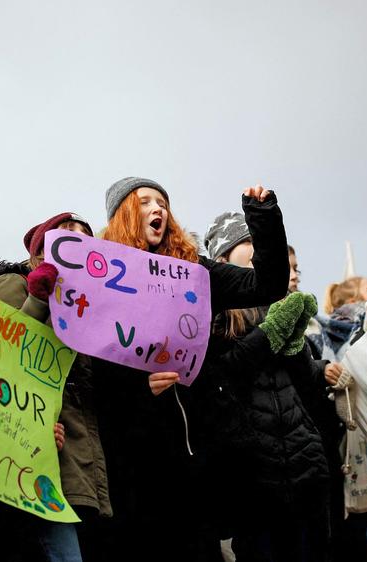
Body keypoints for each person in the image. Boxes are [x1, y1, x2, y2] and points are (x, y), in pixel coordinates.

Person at [92, 177, 289, 562]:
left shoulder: (193, 272)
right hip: (138, 468)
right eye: (145, 201)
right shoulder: (98, 278)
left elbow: (269, 285)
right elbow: (92, 373)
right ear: (122, 215)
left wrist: (263, 217)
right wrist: (138, 389)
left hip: (200, 459)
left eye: (163, 202)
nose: (158, 209)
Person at [0, 212, 113, 562]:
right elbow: (1, 351)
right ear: (41, 253)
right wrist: (39, 296)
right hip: (37, 460)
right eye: (68, 238)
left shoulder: (91, 306)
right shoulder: (14, 283)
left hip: (80, 465)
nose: (78, 245)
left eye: (86, 239)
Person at [204, 212, 336, 561]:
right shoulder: (212, 316)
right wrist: (269, 335)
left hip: (306, 466)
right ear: (223, 259)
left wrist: (295, 346)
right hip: (254, 477)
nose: (258, 249)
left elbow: (308, 386)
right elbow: (221, 378)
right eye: (247, 242)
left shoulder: (282, 307)